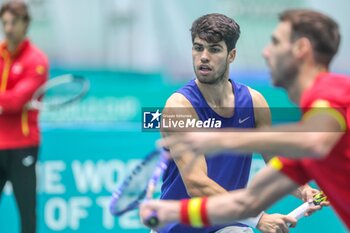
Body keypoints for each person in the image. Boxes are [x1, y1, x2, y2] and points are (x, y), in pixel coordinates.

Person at [140, 9, 350, 231]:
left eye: (275, 43)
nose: (266, 52)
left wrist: (220, 141)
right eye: (198, 48)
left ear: (301, 49)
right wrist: (171, 212)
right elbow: (243, 200)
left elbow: (313, 141)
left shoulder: (331, 94)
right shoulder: (179, 106)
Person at [0, 1, 48, 233]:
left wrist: (7, 102)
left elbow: (17, 100)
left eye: (14, 22)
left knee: (27, 213)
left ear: (26, 24)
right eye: (5, 23)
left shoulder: (37, 61)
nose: (8, 28)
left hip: (23, 146)